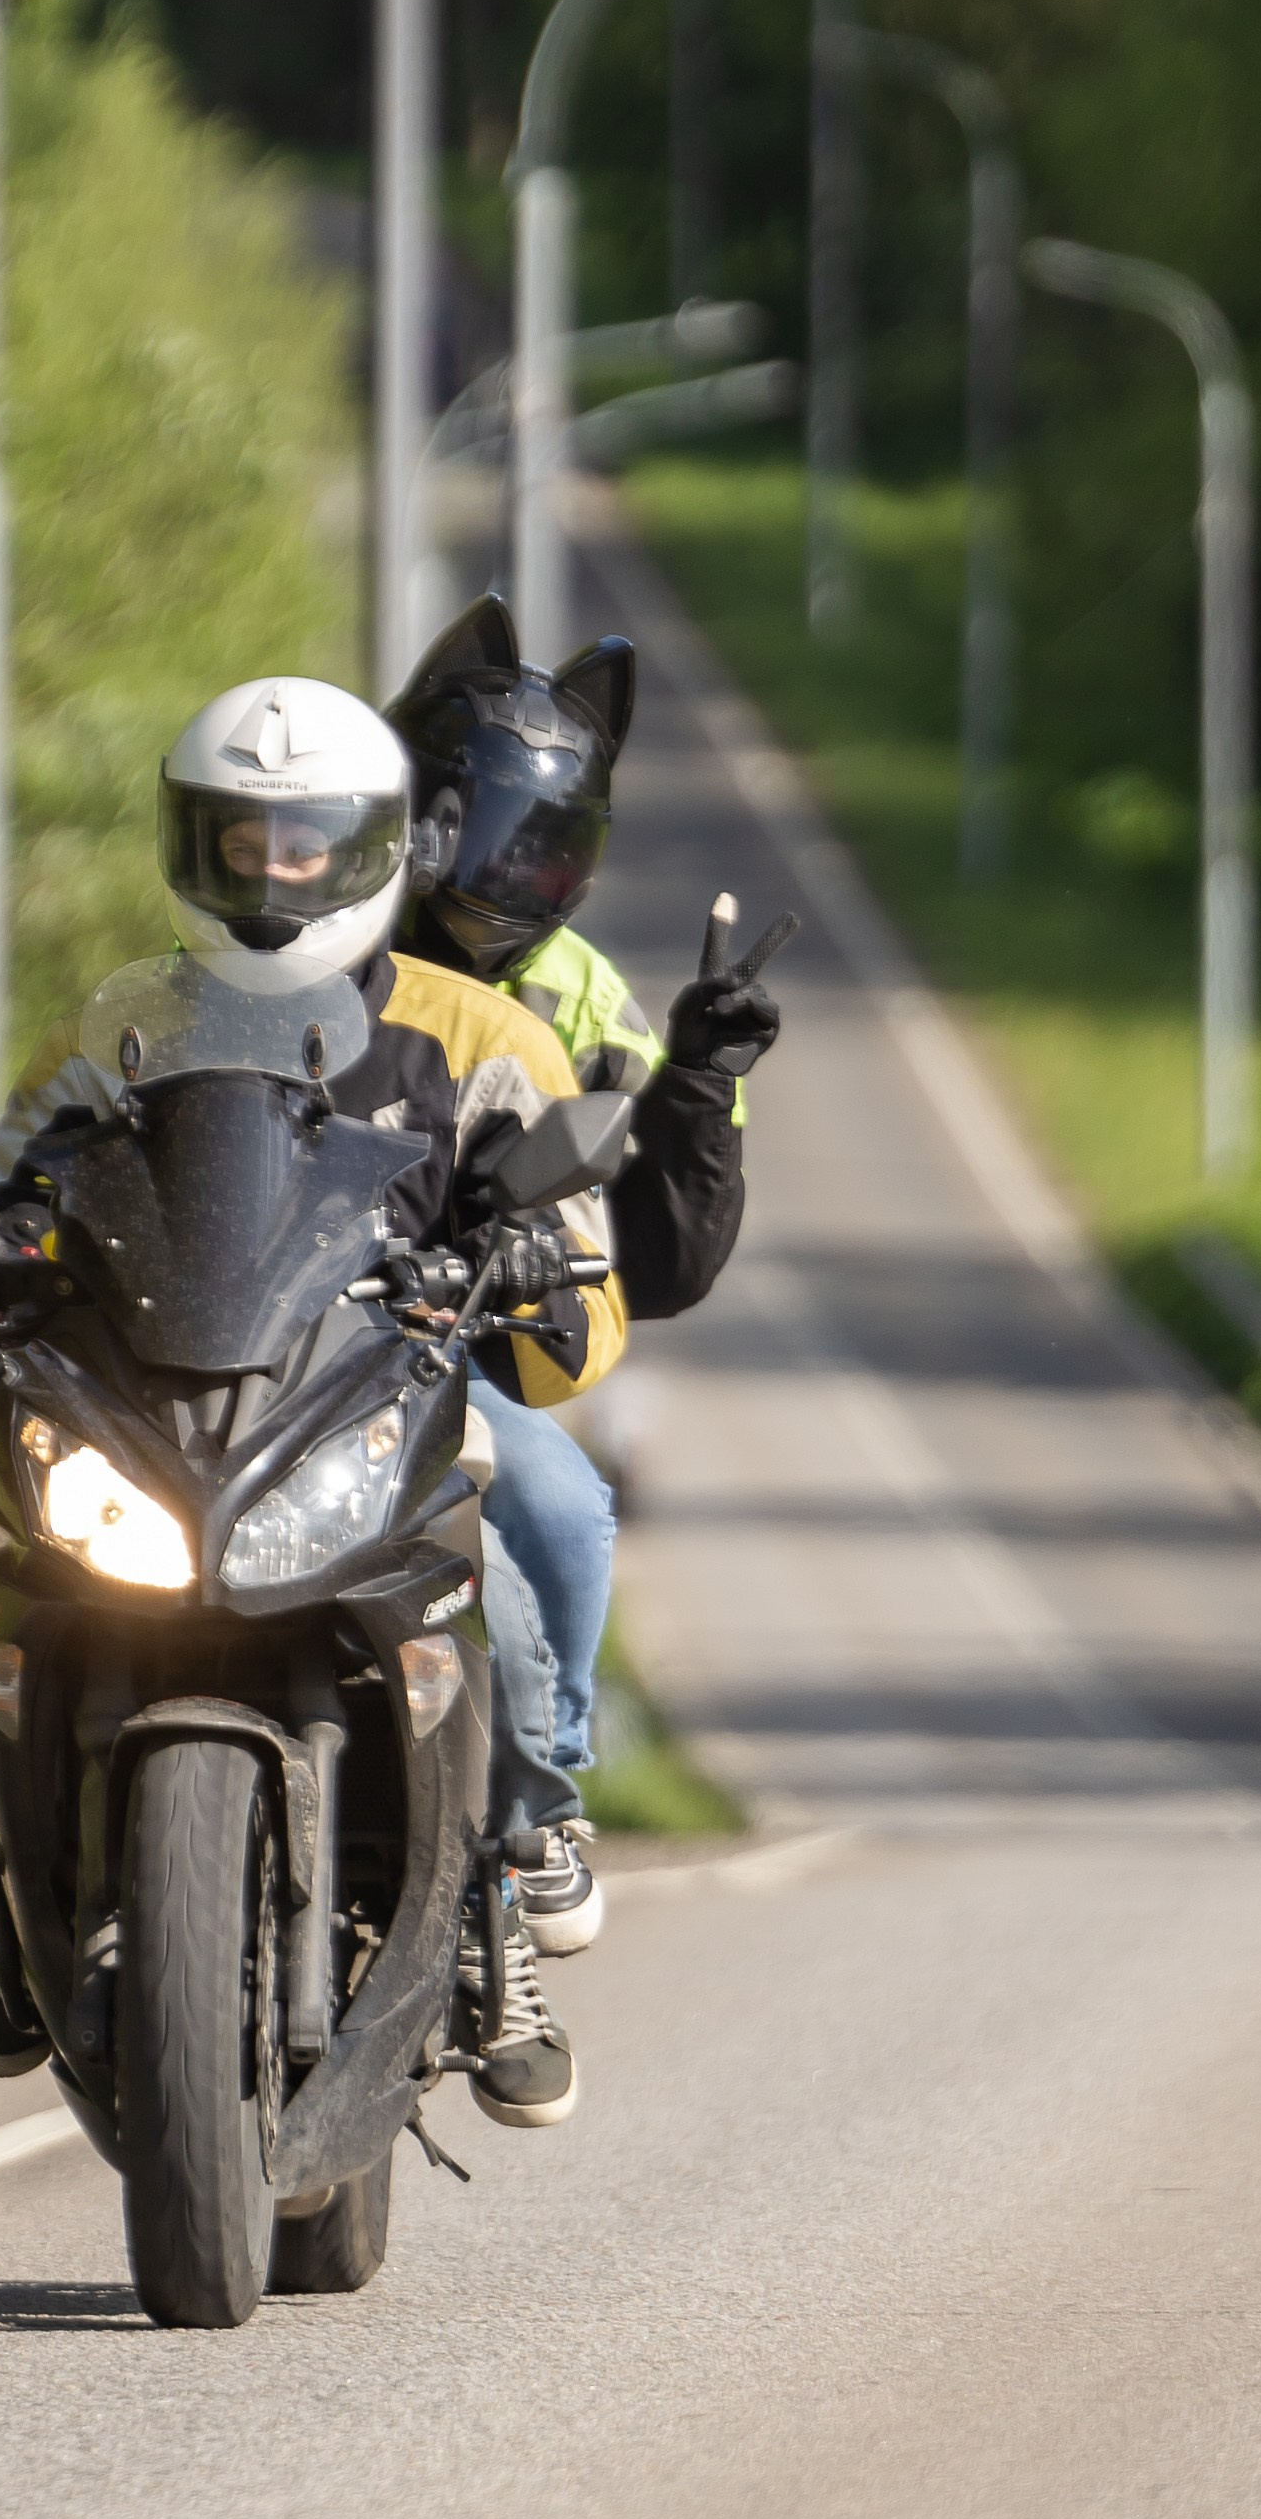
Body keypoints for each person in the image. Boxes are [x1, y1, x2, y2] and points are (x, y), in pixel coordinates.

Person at [0, 673, 623, 2127]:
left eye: (306, 843)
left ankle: (500, 1892)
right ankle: (11, 1890)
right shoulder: (122, 1021)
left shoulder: (483, 1035)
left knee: (501, 1537)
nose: (275, 873)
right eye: (242, 841)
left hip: (377, 1397)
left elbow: (582, 1307)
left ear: (376, 851)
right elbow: (4, 1202)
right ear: (192, 846)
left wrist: (536, 1262)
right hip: (158, 1402)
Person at [387, 595, 784, 1952]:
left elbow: (657, 1269)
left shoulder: (579, 999)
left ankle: (540, 1798)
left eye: (549, 855)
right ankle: (18, 1835)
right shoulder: (306, 934)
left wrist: (699, 1089)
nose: (511, 880)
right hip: (248, 1328)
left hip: (437, 1357)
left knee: (558, 1504)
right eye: (491, 835)